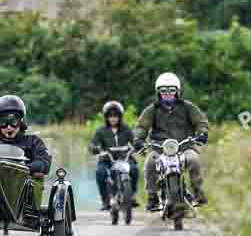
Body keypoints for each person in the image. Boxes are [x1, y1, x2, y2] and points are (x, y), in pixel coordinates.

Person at [133, 72, 209, 211]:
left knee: (194, 160)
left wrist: (202, 132)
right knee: (150, 162)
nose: (167, 93)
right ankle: (152, 196)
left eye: (171, 90)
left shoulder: (188, 107)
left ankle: (198, 192)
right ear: (158, 92)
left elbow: (200, 121)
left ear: (177, 91)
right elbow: (142, 126)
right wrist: (138, 139)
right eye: (163, 90)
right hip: (159, 148)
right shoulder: (152, 110)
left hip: (184, 146)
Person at [0, 95, 52, 204]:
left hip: (23, 193)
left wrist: (23, 168)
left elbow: (44, 163)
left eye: (13, 121)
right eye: (3, 122)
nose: (9, 127)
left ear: (21, 122)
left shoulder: (33, 141)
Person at [89, 101, 140, 211]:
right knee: (100, 172)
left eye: (115, 116)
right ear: (106, 117)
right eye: (110, 116)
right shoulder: (101, 131)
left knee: (134, 169)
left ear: (120, 117)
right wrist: (95, 148)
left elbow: (134, 141)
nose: (113, 119)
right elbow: (94, 143)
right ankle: (105, 200)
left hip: (125, 158)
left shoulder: (126, 129)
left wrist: (138, 145)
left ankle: (132, 196)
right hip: (107, 160)